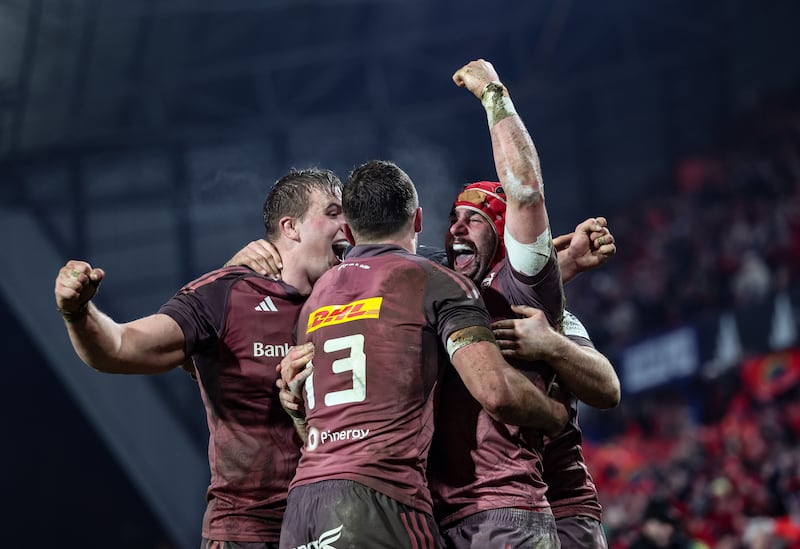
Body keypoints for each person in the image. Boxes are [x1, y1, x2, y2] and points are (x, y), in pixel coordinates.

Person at [277, 159, 570, 549]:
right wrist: (554, 415)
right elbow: (497, 393)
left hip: (302, 508)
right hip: (380, 502)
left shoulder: (315, 301)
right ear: (417, 220)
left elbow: (311, 422)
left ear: (348, 230)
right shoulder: (434, 281)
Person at [53, 168, 348, 549]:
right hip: (250, 532)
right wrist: (78, 312)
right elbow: (120, 347)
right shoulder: (224, 295)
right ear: (291, 227)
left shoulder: (352, 300)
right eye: (334, 212)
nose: (347, 224)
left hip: (336, 525)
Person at [428, 59, 620, 549]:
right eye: (452, 218)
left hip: (554, 505)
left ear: (502, 233)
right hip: (460, 511)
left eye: (472, 220)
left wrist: (552, 345)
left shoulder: (536, 307)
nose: (454, 229)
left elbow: (608, 389)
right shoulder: (444, 291)